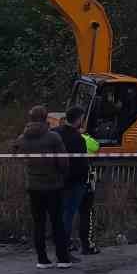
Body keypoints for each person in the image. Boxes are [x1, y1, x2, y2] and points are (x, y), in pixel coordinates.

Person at [11, 104, 71, 269]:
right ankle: (63, 258)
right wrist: (62, 174)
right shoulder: (53, 137)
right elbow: (63, 161)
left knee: (38, 223)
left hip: (33, 185)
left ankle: (42, 259)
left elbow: (14, 149)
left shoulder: (24, 137)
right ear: (45, 118)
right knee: (57, 222)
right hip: (53, 185)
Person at [53, 106, 93, 259]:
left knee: (58, 215)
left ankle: (59, 247)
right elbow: (82, 163)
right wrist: (84, 180)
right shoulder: (78, 139)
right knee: (68, 215)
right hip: (73, 182)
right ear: (78, 119)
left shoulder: (55, 133)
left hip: (56, 180)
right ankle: (64, 251)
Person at [78, 128, 101, 254]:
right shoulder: (85, 139)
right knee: (87, 213)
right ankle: (87, 245)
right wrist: (87, 135)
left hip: (69, 179)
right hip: (87, 178)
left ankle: (66, 244)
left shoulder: (61, 136)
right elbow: (96, 146)